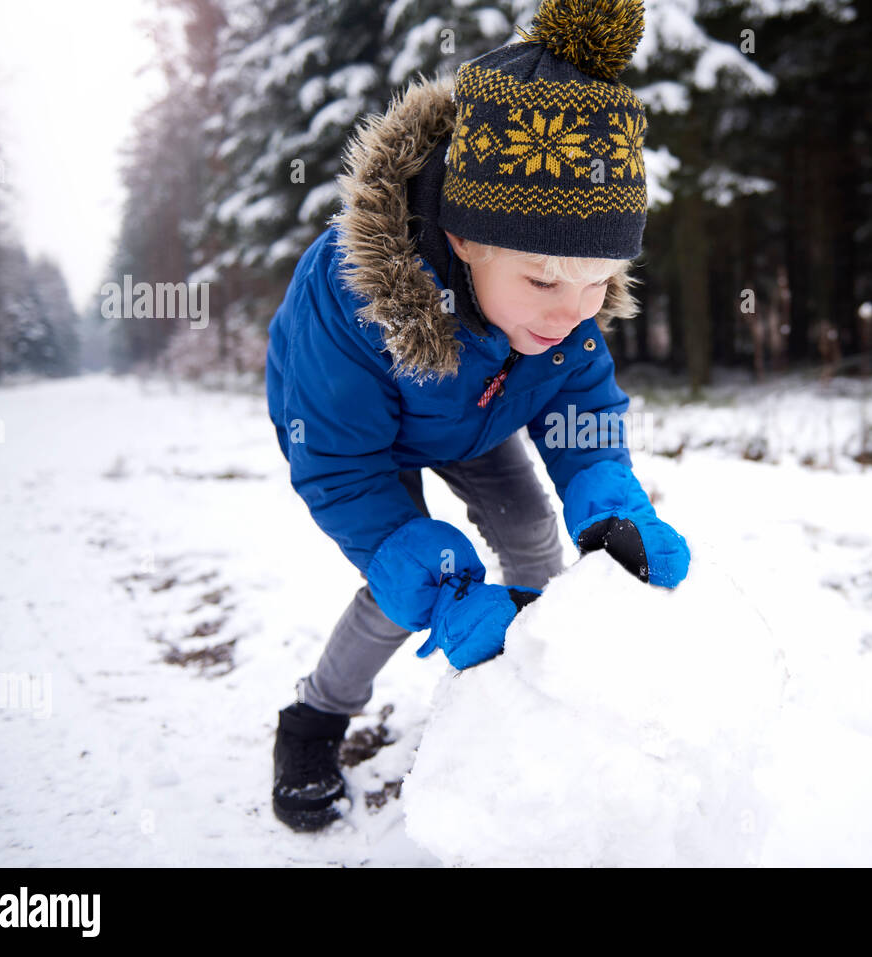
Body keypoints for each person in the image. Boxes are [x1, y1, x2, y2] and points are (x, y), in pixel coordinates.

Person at [263, 0, 691, 832]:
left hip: (474, 415)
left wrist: (608, 500)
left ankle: (523, 668)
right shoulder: (349, 303)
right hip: (359, 439)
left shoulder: (560, 308)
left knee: (533, 526)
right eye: (543, 281)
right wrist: (433, 578)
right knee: (405, 583)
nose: (573, 310)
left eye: (597, 281)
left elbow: (579, 404)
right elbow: (339, 465)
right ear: (464, 238)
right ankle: (314, 718)